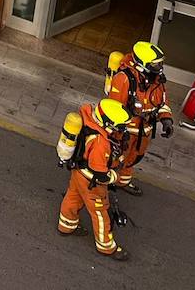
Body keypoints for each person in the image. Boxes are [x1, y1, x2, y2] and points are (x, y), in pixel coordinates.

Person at [57, 97, 131, 261]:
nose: (122, 130)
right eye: (120, 127)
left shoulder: (91, 124)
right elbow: (100, 172)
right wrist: (114, 177)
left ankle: (66, 225)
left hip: (79, 173)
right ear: (109, 124)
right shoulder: (101, 143)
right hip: (91, 181)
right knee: (100, 212)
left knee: (73, 197)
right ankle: (106, 246)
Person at [107, 41, 173, 196]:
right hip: (126, 131)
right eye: (156, 65)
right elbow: (114, 108)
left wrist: (166, 119)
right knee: (116, 159)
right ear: (142, 64)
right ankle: (106, 185)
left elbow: (162, 101)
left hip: (144, 131)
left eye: (160, 64)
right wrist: (118, 131)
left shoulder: (157, 81)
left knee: (133, 159)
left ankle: (123, 182)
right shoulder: (124, 79)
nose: (160, 68)